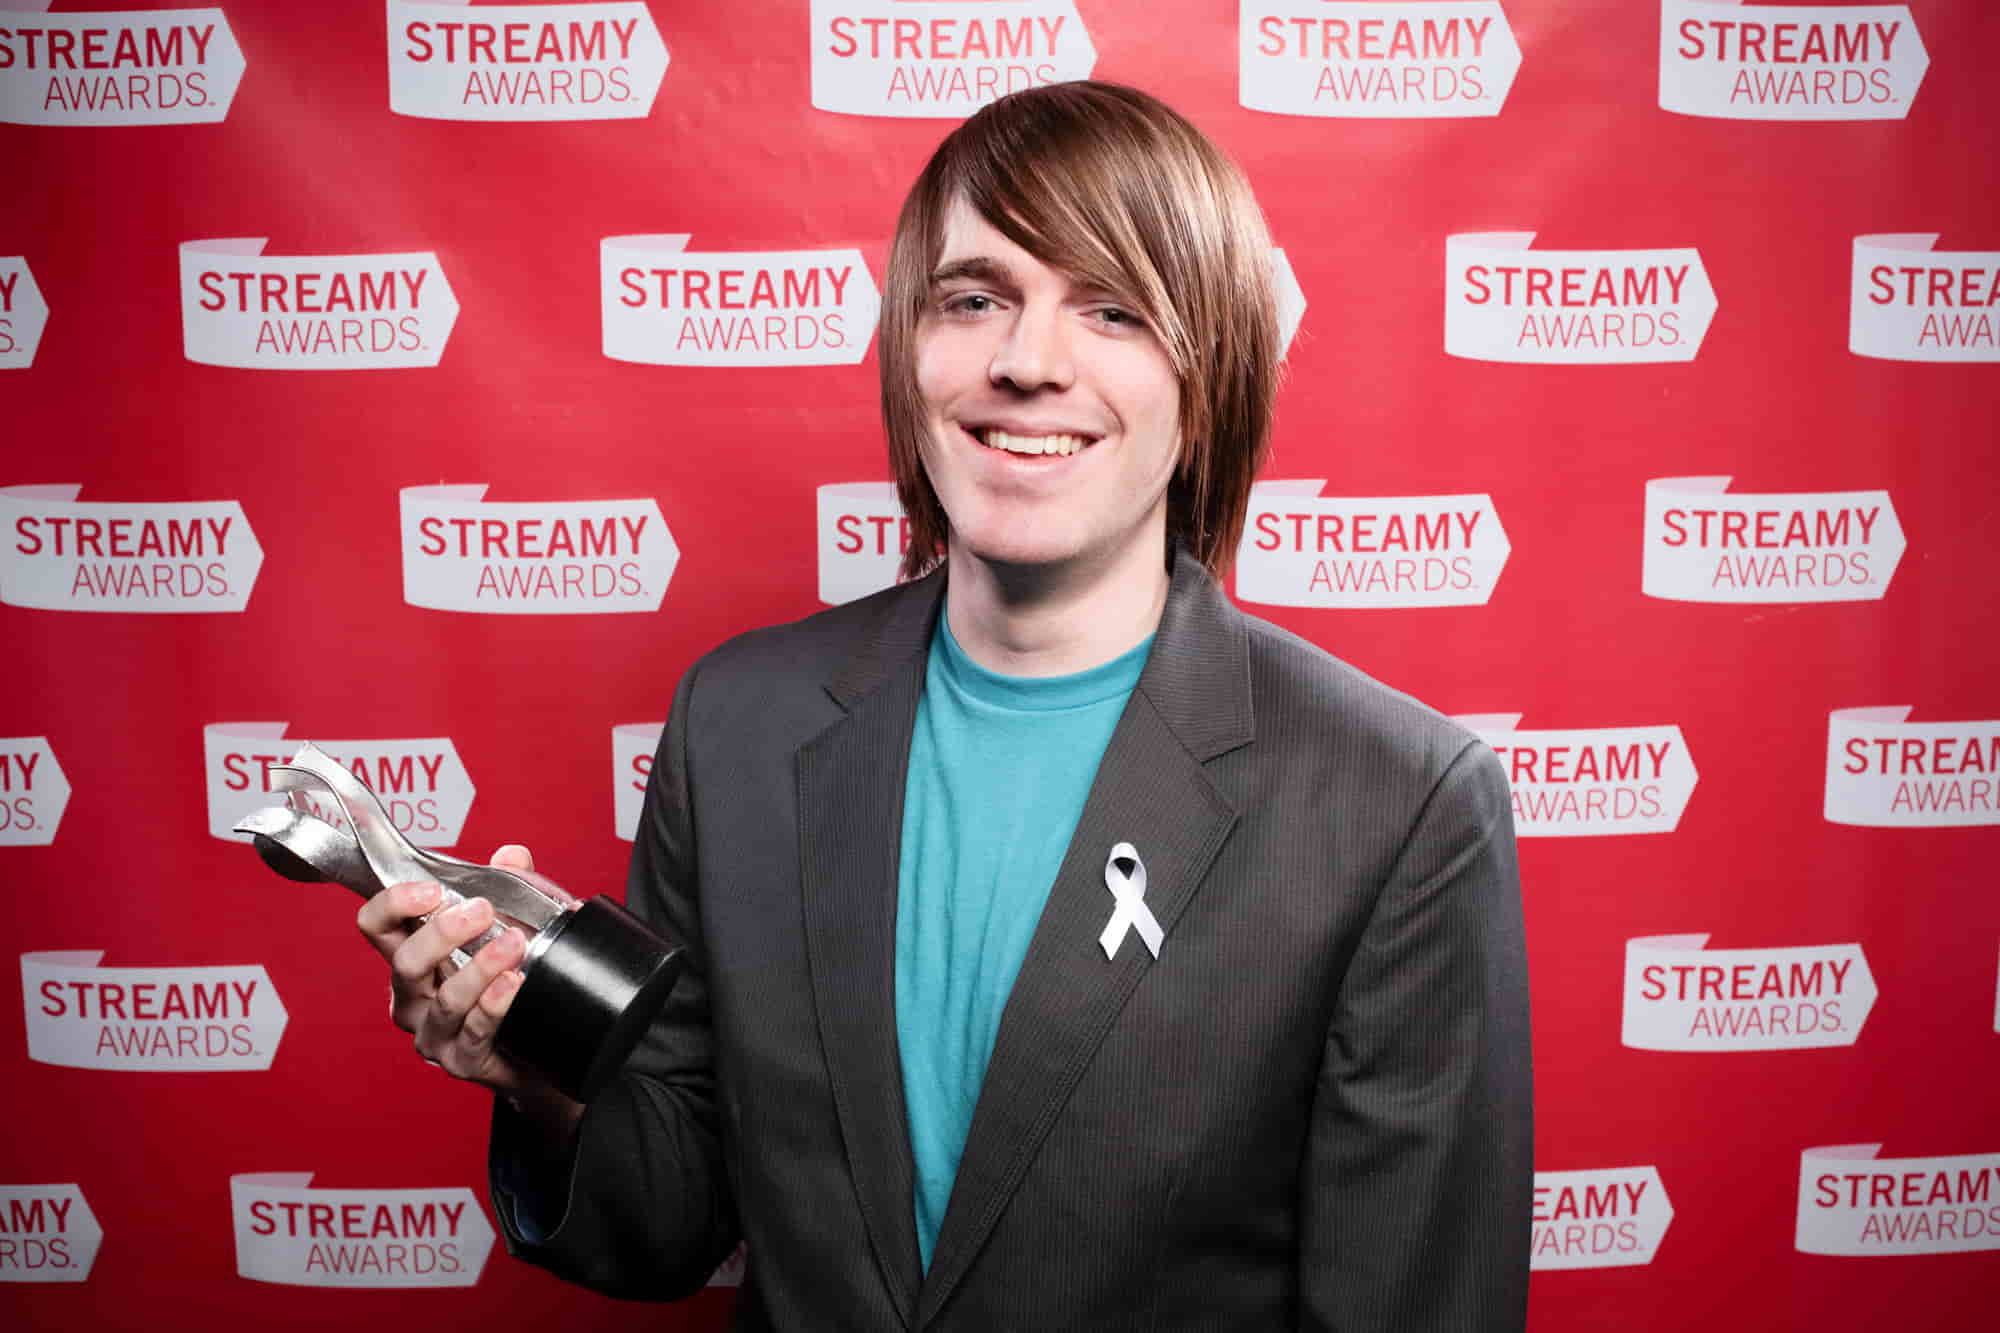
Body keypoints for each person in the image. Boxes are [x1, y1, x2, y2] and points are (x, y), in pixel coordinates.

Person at [359, 81, 1532, 1330]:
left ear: (1212, 376)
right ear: (907, 350)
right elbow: (669, 1211)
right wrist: (538, 1073)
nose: (1026, 362)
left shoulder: (1398, 804)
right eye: (973, 298)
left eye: (1112, 308)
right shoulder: (738, 723)